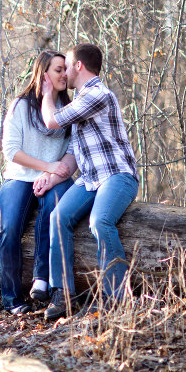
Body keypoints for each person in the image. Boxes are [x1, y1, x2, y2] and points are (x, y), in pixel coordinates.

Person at [36, 43, 139, 320]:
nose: (65, 71)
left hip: (118, 176)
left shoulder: (97, 95)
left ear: (78, 66)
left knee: (99, 221)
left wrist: (47, 93)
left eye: (67, 65)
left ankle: (116, 298)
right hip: (91, 180)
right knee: (58, 217)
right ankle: (62, 294)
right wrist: (51, 175)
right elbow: (73, 154)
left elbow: (51, 121)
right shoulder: (82, 98)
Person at [0, 50, 75, 315]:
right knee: (10, 231)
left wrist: (53, 174)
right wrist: (46, 166)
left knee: (53, 211)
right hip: (20, 175)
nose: (64, 74)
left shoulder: (68, 110)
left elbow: (72, 150)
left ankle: (41, 281)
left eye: (65, 69)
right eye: (58, 70)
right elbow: (11, 151)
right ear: (44, 74)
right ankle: (11, 299)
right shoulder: (21, 105)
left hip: (55, 178)